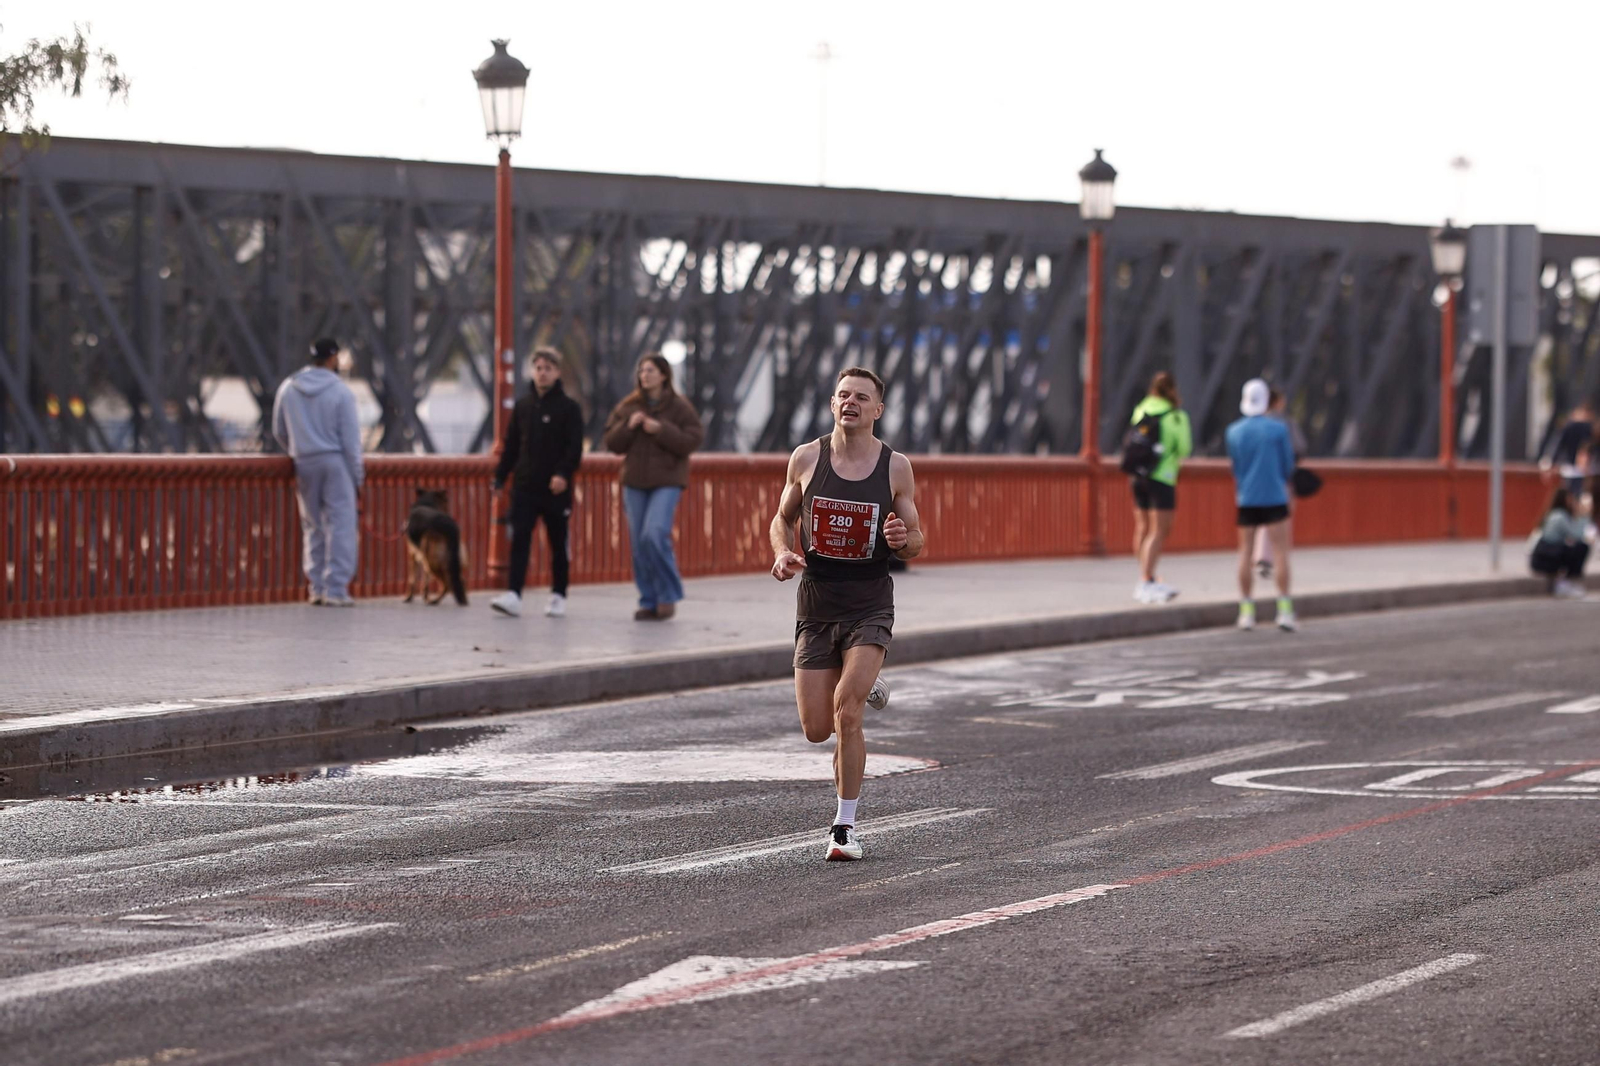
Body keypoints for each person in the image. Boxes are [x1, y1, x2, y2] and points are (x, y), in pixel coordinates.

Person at [770, 366, 924, 862]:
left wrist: (904, 540)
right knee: (817, 729)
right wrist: (781, 552)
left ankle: (844, 828)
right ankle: (867, 681)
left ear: (877, 410)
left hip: (869, 601)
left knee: (847, 711)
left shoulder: (895, 467)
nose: (850, 402)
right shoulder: (807, 457)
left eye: (861, 397)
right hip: (817, 602)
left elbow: (917, 538)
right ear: (832, 403)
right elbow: (782, 519)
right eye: (842, 395)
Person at [603, 353, 705, 620]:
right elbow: (612, 443)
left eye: (649, 371)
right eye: (641, 371)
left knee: (654, 533)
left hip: (667, 480)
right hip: (635, 481)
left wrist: (660, 429)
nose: (644, 375)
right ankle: (648, 600)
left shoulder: (679, 407)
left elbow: (692, 440)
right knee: (638, 542)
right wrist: (629, 426)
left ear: (663, 375)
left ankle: (668, 595)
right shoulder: (629, 406)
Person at [490, 348, 585, 619]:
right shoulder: (523, 406)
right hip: (525, 485)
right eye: (539, 367)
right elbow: (511, 447)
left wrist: (563, 475)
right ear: (533, 371)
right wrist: (499, 476)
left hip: (555, 489)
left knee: (557, 541)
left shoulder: (569, 408)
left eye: (548, 368)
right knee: (520, 538)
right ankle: (514, 594)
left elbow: (574, 448)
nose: (543, 373)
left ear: (557, 372)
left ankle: (558, 594)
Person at [271, 338, 364, 607]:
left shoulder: (289, 387)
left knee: (312, 525)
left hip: (304, 461)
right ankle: (336, 589)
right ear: (333, 359)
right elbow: (351, 442)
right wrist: (358, 478)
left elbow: (279, 429)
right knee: (342, 525)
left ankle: (317, 587)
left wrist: (297, 448)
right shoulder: (341, 393)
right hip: (335, 462)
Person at [1225, 378, 1297, 632]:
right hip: (1275, 496)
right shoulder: (1278, 430)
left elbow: (1235, 466)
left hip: (1247, 497)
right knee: (1280, 552)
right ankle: (1284, 610)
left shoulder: (1233, 432)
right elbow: (1288, 465)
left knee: (1245, 552)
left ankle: (1246, 611)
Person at [1127, 371, 1193, 603]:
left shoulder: (1141, 409)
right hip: (1162, 477)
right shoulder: (1175, 416)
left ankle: (1146, 576)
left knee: (1142, 528)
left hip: (1137, 475)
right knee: (1159, 531)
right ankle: (1147, 581)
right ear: (1172, 389)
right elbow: (1184, 448)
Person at [1254, 387, 1308, 580]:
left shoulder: (1255, 424)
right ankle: (1280, 559)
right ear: (1277, 402)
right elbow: (1299, 448)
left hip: (1260, 479)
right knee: (1283, 520)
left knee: (1263, 519)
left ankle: (1262, 557)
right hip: (1282, 478)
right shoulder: (1287, 424)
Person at [1528, 487, 1592, 599]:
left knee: (1576, 547)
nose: (1573, 502)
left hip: (1546, 555)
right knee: (1582, 547)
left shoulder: (1554, 514)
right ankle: (1568, 582)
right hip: (1547, 558)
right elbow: (1577, 535)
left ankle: (1565, 582)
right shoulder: (1559, 516)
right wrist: (1584, 516)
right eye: (1570, 499)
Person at [1540, 402, 1593, 495]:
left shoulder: (1570, 426)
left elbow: (1557, 446)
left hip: (1573, 470)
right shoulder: (1588, 427)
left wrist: (1550, 461)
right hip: (1578, 470)